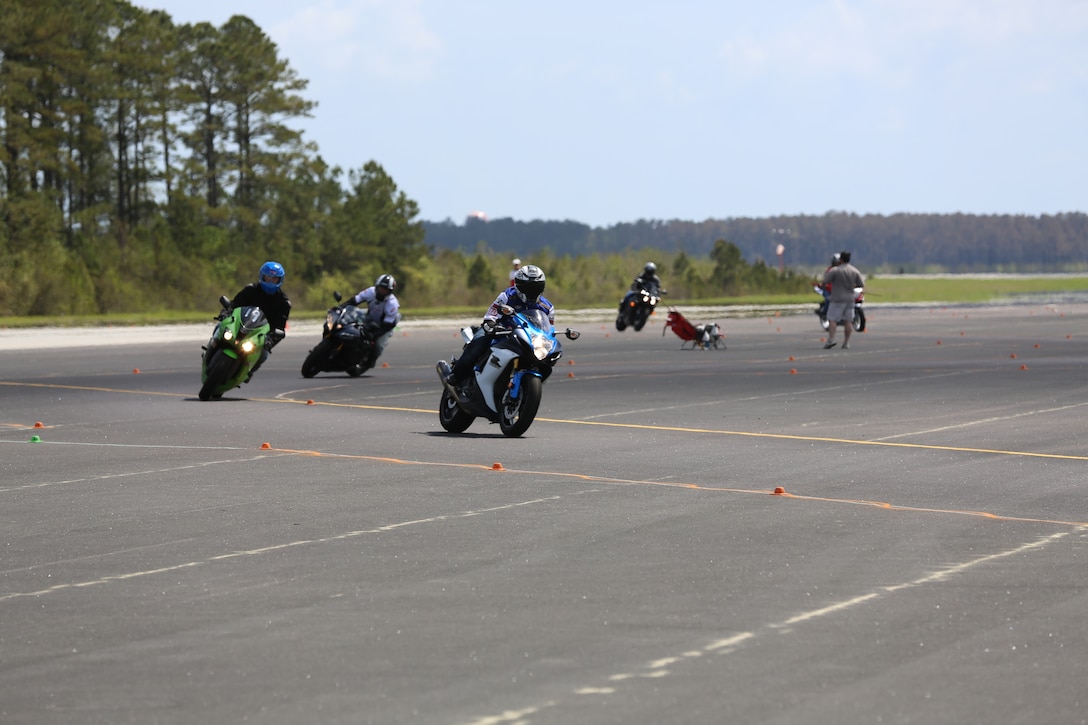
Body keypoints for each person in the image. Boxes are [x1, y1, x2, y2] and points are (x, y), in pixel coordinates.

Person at [440, 264, 554, 396]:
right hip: (501, 331)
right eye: (527, 287)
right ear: (518, 285)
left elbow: (548, 328)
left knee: (546, 363)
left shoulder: (547, 307)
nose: (531, 291)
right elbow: (492, 313)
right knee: (478, 343)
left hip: (527, 338)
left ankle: (524, 389)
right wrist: (491, 324)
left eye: (536, 287)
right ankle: (456, 375)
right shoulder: (507, 295)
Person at [228, 260, 291, 379]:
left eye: (274, 279)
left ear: (280, 280)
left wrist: (270, 341)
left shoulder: (284, 302)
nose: (270, 281)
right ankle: (212, 346)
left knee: (263, 354)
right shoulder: (250, 289)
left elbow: (279, 327)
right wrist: (226, 311)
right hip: (240, 324)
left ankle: (248, 372)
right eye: (268, 277)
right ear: (262, 276)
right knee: (223, 328)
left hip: (260, 335)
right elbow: (234, 304)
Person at [342, 274, 401, 359]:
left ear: (390, 292)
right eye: (381, 288)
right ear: (376, 286)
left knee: (378, 345)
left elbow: (386, 325)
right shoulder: (370, 291)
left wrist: (374, 335)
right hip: (370, 317)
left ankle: (371, 360)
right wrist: (340, 307)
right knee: (349, 321)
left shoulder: (392, 304)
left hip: (384, 324)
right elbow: (354, 300)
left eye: (385, 290)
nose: (382, 292)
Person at [821, 251, 864, 350]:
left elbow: (825, 281)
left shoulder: (835, 270)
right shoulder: (854, 271)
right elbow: (860, 284)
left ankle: (831, 339)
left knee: (832, 319)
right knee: (848, 321)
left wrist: (823, 285)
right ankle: (846, 342)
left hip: (837, 299)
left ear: (841, 259)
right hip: (850, 299)